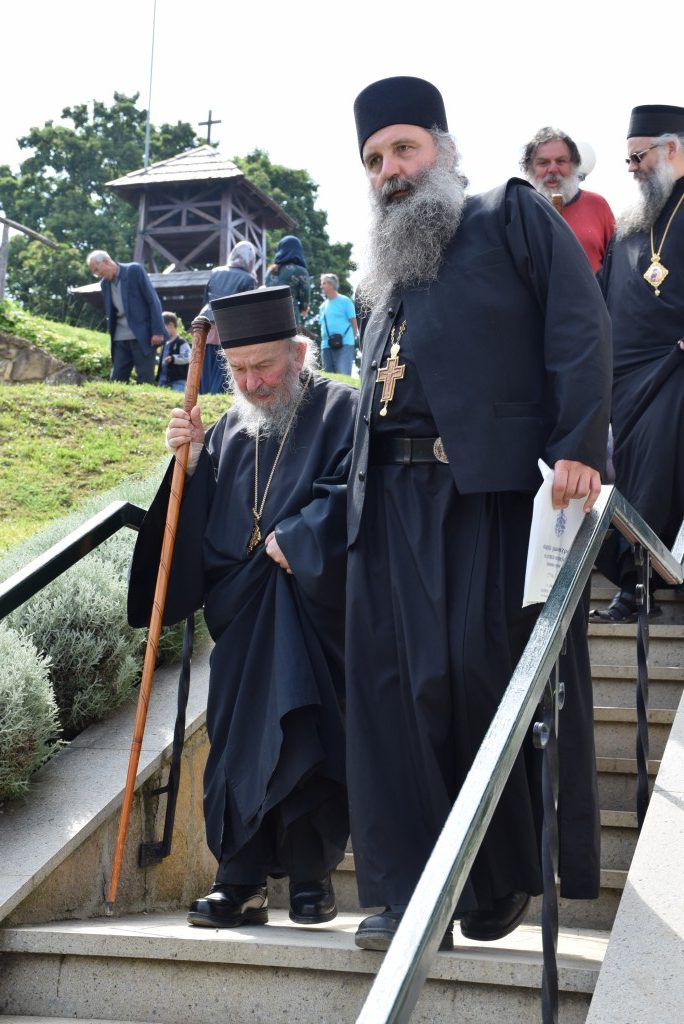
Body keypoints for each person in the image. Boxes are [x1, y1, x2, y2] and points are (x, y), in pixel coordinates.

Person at [346, 76, 612, 952]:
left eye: (404, 148)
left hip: (484, 498)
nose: (390, 170)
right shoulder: (382, 273)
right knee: (395, 701)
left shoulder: (509, 214)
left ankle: (493, 878)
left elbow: (579, 324)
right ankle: (406, 895)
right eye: (374, 159)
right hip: (388, 511)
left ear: (443, 148)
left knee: (476, 680)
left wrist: (579, 443)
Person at [128, 286, 357, 930]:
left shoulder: (343, 410)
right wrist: (191, 464)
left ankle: (312, 877)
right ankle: (239, 880)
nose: (253, 383)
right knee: (233, 747)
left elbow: (360, 493)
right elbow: (200, 526)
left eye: (266, 367)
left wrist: (304, 535)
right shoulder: (230, 427)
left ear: (299, 354)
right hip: (240, 613)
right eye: (241, 370)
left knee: (305, 735)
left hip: (311, 609)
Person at [591, 104, 684, 622]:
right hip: (626, 382)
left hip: (676, 371)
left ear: (672, 148)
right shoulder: (629, 226)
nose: (631, 168)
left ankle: (639, 584)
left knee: (659, 473)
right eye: (627, 159)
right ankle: (638, 581)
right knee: (632, 475)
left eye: (638, 156)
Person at [521, 127, 615, 273]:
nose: (553, 169)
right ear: (529, 169)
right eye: (543, 163)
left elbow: (616, 267)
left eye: (561, 161)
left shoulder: (597, 205)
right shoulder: (518, 211)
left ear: (574, 165)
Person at [87, 250, 167, 384]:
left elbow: (153, 301)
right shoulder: (104, 284)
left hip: (143, 335)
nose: (97, 274)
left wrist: (157, 331)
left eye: (96, 269)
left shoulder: (134, 270)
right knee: (117, 380)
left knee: (145, 379)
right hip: (120, 338)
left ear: (106, 261)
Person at [199, 240, 258, 394]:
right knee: (225, 365)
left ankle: (204, 395)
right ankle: (216, 395)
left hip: (207, 322)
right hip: (231, 325)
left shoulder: (215, 272)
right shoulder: (249, 279)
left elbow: (205, 299)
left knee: (205, 364)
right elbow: (250, 310)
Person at [318, 273, 359, 375]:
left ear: (332, 284)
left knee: (343, 375)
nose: (321, 286)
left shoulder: (345, 301)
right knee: (329, 378)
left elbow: (354, 321)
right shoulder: (322, 306)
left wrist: (352, 337)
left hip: (345, 343)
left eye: (324, 283)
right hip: (326, 345)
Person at [265, 235, 310, 328]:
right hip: (289, 317)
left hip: (269, 317)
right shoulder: (301, 271)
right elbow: (305, 299)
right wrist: (303, 309)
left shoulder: (270, 271)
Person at [157, 312, 191, 392]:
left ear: (171, 325)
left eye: (163, 327)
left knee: (177, 395)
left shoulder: (181, 342)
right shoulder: (164, 343)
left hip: (178, 381)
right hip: (163, 380)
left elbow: (188, 357)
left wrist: (173, 358)